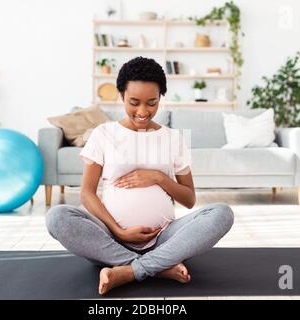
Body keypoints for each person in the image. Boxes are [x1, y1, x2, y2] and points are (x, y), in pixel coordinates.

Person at [46, 56, 234, 295]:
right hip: (110, 239)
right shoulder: (103, 134)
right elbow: (86, 193)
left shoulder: (173, 138)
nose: (143, 111)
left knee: (221, 214)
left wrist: (159, 178)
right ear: (121, 95)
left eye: (152, 102)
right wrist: (118, 230)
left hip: (165, 237)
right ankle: (157, 267)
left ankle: (128, 270)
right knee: (57, 216)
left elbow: (189, 199)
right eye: (134, 102)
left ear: (160, 99)